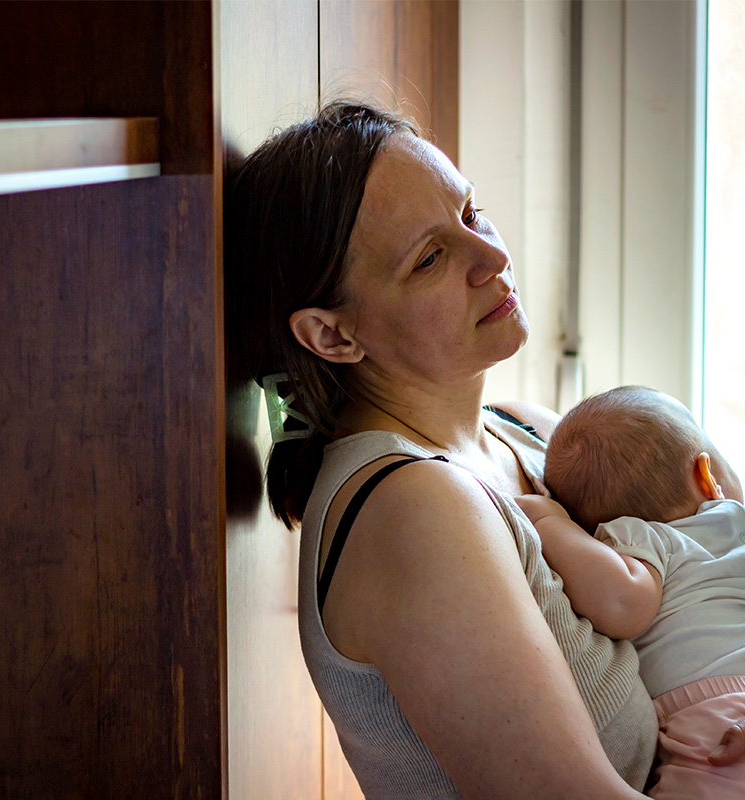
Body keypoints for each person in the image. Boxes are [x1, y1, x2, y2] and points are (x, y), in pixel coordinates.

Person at [225, 102, 745, 799]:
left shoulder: (527, 432)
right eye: (431, 258)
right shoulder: (414, 511)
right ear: (333, 335)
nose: (495, 257)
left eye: (471, 213)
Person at [516, 385, 745, 798]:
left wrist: (550, 524)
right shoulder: (670, 534)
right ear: (707, 475)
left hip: (715, 718)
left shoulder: (643, 541)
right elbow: (622, 603)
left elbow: (622, 605)